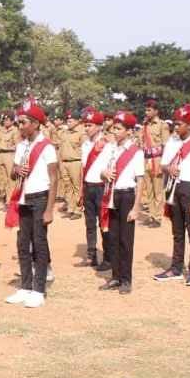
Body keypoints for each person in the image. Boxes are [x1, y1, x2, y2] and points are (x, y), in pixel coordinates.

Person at [4, 101, 58, 308]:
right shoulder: (21, 146)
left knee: (39, 243)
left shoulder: (47, 147)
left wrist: (50, 209)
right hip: (23, 199)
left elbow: (54, 178)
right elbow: (12, 174)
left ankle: (39, 290)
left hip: (40, 198)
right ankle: (25, 286)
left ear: (35, 124)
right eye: (18, 122)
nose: (19, 126)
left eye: (23, 122)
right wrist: (17, 169)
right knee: (22, 243)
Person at [155, 105, 190, 286]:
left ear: (189, 125)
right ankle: (176, 268)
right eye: (175, 124)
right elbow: (162, 166)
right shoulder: (172, 142)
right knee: (177, 232)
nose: (176, 127)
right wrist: (168, 168)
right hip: (173, 188)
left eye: (179, 124)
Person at [96, 111, 145, 295]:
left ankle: (126, 279)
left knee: (126, 240)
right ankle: (115, 276)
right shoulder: (111, 149)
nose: (115, 132)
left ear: (129, 131)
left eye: (119, 129)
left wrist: (136, 207)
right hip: (111, 194)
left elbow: (140, 180)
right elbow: (101, 171)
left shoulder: (136, 152)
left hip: (126, 196)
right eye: (114, 128)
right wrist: (104, 173)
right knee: (113, 238)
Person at [76, 108, 112, 271]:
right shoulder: (85, 145)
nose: (87, 128)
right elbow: (84, 167)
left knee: (104, 223)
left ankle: (108, 258)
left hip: (101, 188)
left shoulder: (107, 145)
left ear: (98, 127)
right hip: (88, 187)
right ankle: (91, 256)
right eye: (85, 125)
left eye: (90, 125)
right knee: (89, 223)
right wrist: (81, 190)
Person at [140, 99, 169, 228]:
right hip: (146, 159)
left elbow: (165, 145)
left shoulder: (162, 125)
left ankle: (157, 218)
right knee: (149, 189)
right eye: (146, 110)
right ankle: (151, 215)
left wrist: (163, 164)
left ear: (156, 111)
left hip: (157, 159)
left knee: (158, 190)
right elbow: (141, 142)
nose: (146, 112)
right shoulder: (145, 125)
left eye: (149, 110)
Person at [59, 111, 84, 220]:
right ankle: (70, 208)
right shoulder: (64, 133)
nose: (68, 123)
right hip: (64, 162)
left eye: (71, 121)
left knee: (77, 187)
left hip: (76, 162)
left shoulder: (81, 133)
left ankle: (78, 210)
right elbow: (61, 148)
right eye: (68, 121)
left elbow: (85, 149)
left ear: (77, 121)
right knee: (67, 186)